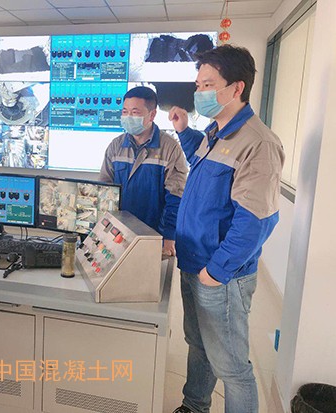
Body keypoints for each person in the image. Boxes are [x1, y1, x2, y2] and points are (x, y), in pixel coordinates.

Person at [168, 45, 285, 413]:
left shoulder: (258, 142)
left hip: (220, 275)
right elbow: (205, 167)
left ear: (237, 88)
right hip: (194, 263)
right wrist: (184, 131)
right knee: (199, 345)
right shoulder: (217, 131)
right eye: (198, 85)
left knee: (233, 369)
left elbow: (257, 221)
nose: (200, 92)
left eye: (208, 85)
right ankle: (194, 406)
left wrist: (215, 273)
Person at [99, 86, 188, 255]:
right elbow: (104, 190)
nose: (128, 117)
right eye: (125, 112)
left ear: (152, 115)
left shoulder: (169, 148)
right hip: (117, 233)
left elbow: (176, 197)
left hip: (153, 235)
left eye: (135, 112)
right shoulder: (116, 146)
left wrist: (169, 236)